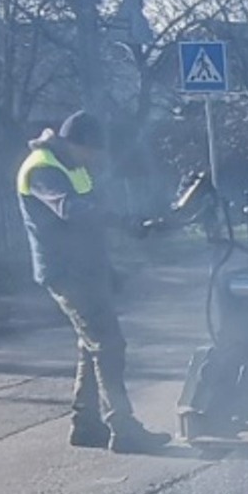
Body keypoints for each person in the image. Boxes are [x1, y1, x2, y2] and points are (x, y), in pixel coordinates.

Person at [16, 111, 172, 454]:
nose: (97, 158)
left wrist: (113, 257)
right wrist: (122, 221)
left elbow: (92, 216)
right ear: (77, 144)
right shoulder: (43, 168)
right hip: (67, 273)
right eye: (94, 151)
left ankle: (86, 424)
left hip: (87, 269)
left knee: (91, 344)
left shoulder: (71, 166)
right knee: (109, 344)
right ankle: (123, 427)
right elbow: (71, 210)